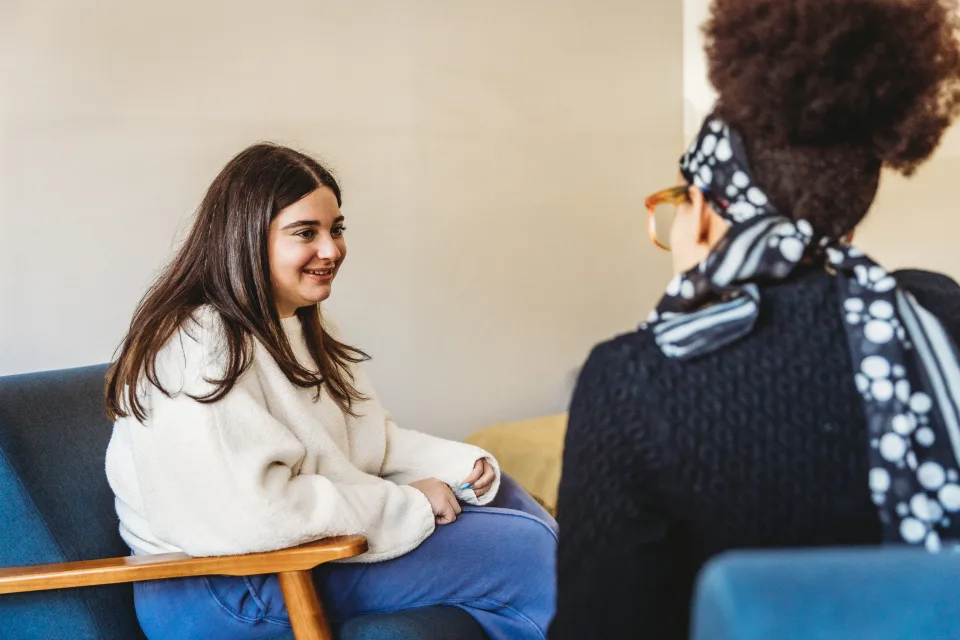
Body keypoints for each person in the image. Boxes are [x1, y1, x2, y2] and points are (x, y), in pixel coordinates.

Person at [550, 0, 960, 637]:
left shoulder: (631, 379)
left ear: (709, 212)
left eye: (680, 201)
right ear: (845, 218)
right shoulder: (941, 314)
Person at [104, 143, 557, 640]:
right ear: (246, 238)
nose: (332, 249)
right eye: (306, 233)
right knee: (521, 548)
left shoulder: (297, 326)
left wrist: (460, 468)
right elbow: (253, 515)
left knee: (505, 496)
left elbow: (368, 447)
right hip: (223, 584)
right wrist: (410, 504)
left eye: (336, 228)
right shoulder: (200, 342)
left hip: (285, 560)